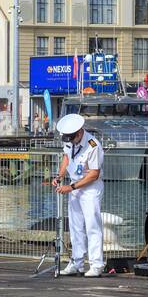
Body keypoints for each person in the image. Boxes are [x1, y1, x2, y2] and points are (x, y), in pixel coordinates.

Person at [55, 112, 106, 277]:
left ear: (79, 133)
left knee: (92, 226)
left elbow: (93, 174)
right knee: (75, 227)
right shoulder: (71, 142)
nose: (69, 141)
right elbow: (66, 158)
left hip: (90, 188)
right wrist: (59, 176)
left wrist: (71, 187)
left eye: (71, 138)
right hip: (75, 186)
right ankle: (77, 263)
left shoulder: (93, 145)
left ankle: (96, 264)